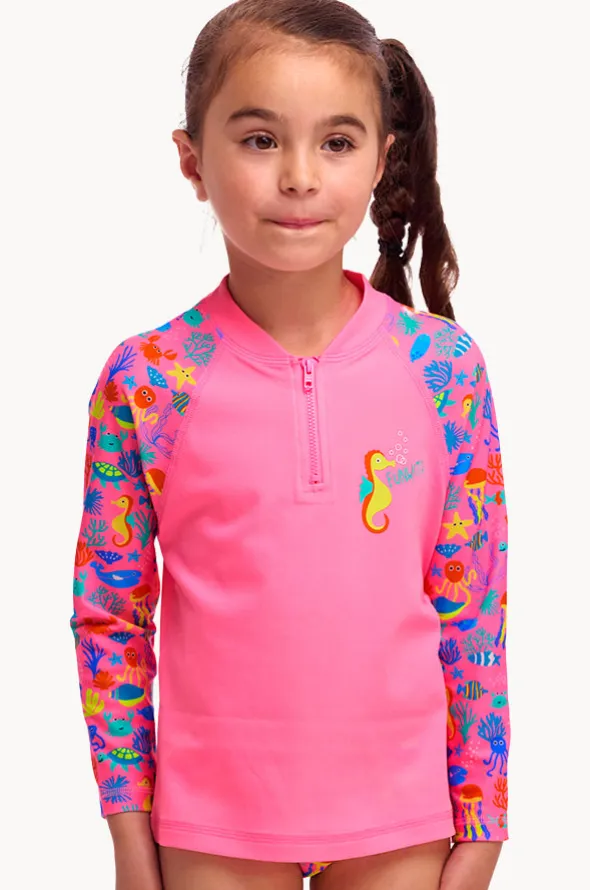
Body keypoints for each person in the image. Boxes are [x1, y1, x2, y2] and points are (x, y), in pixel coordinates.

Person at [69, 1, 511, 888]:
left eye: (337, 142)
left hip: (402, 821)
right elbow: (111, 616)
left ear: (382, 159)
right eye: (261, 140)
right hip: (211, 828)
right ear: (192, 160)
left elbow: (475, 609)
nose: (300, 177)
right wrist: (128, 832)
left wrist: (485, 824)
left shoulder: (445, 369)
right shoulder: (147, 380)